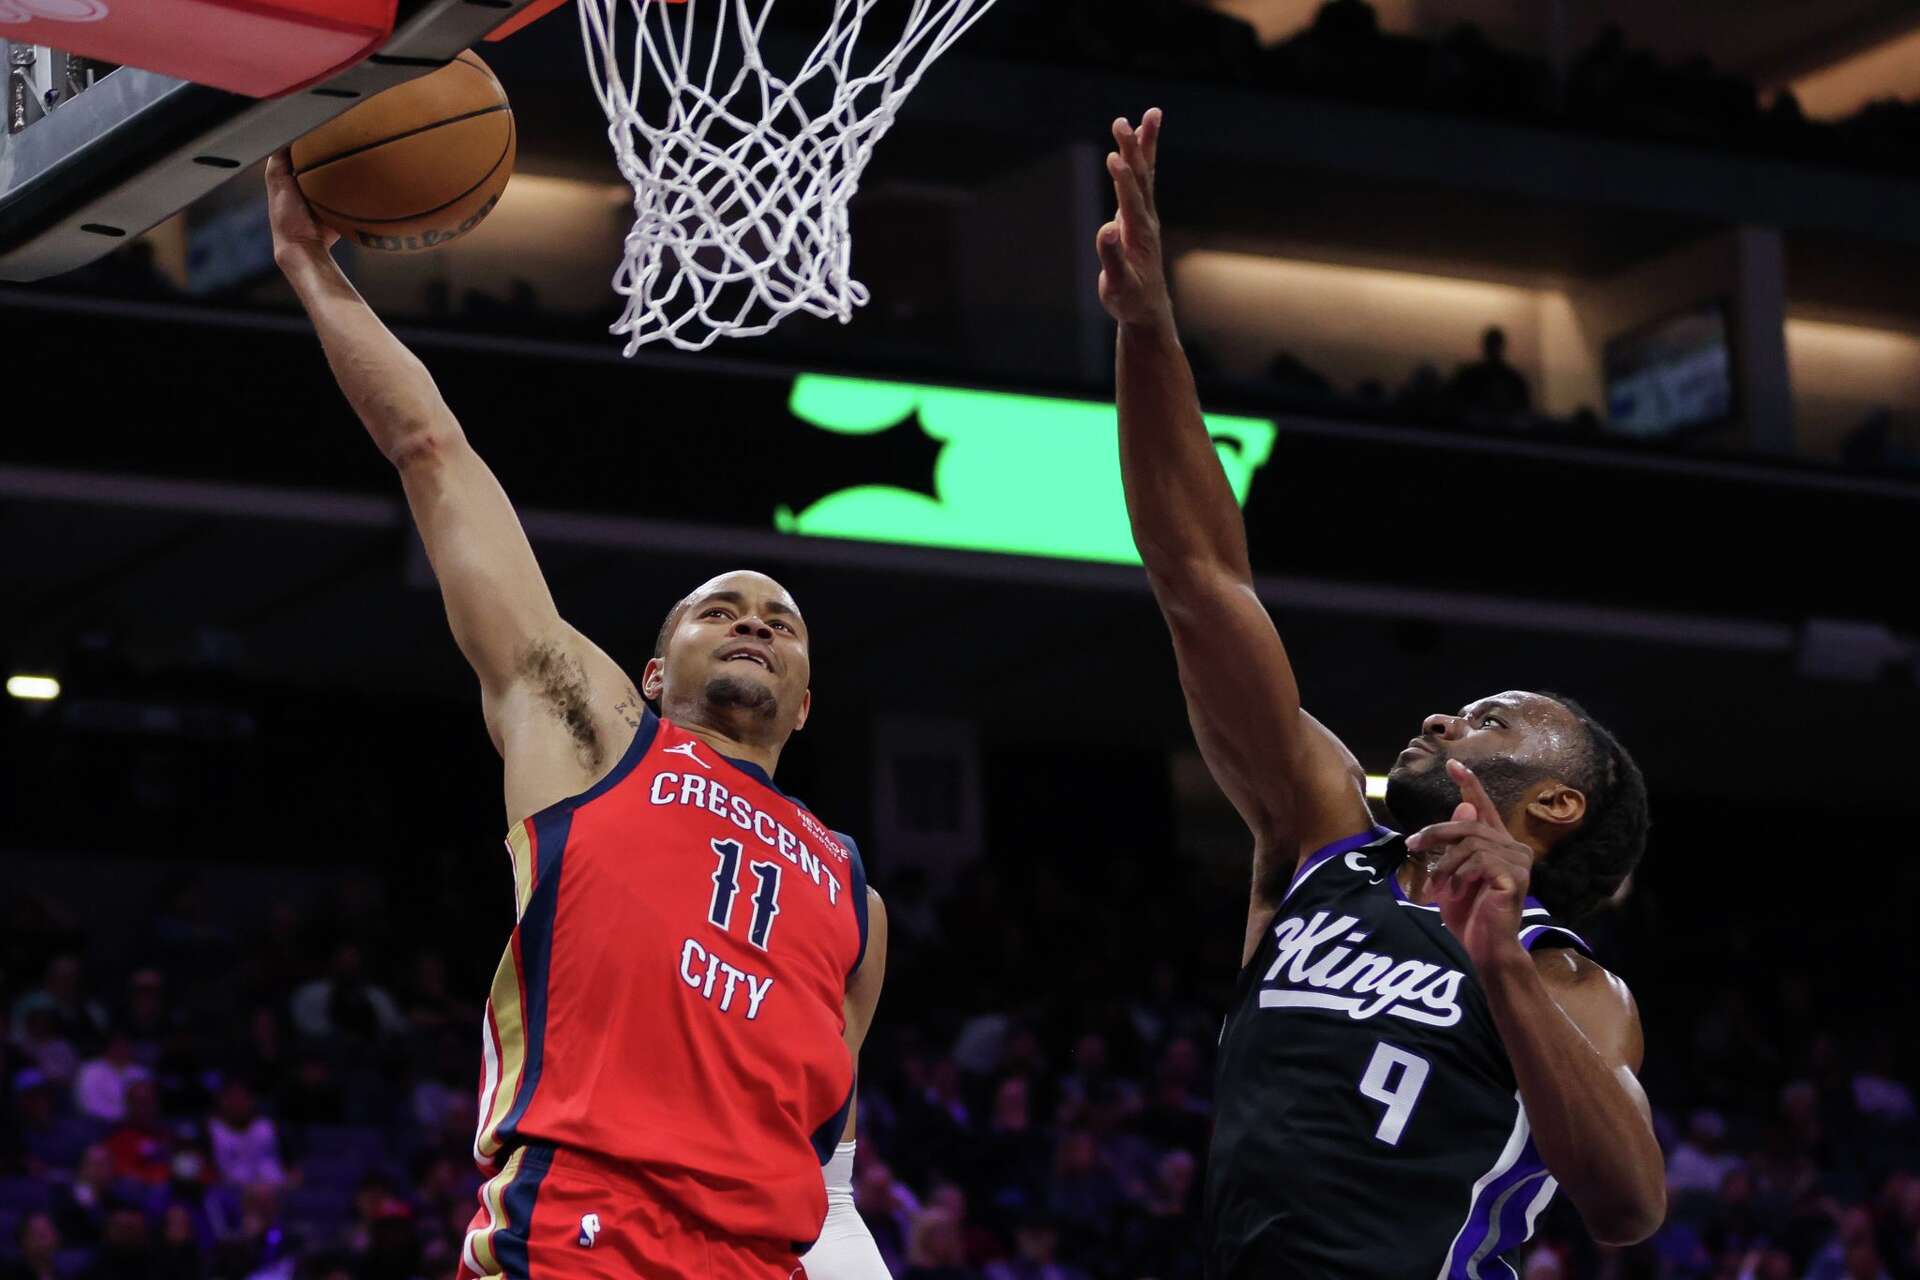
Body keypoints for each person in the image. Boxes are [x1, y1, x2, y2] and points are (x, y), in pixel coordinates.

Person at [265, 155, 890, 1280]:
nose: (753, 622)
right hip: (578, 1235)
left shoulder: (850, 888)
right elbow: (434, 453)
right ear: (654, 670)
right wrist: (313, 271)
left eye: (781, 621)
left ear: (807, 699)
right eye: (719, 610)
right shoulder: (596, 731)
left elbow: (826, 1155)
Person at [1094, 108, 1665, 1278]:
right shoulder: (1317, 838)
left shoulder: (1568, 977)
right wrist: (1151, 335)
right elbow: (1200, 580)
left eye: (1497, 718)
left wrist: (1497, 961)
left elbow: (1627, 1206)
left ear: (1556, 804)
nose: (1447, 716)